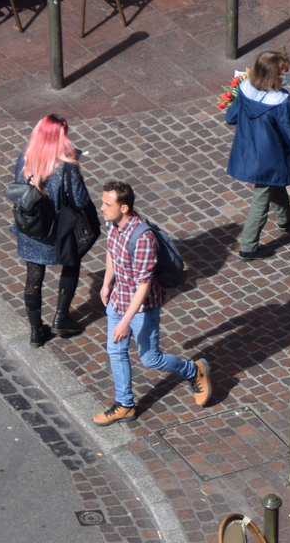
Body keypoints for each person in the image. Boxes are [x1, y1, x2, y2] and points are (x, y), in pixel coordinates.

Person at [91, 180, 211, 424]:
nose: (102, 208)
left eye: (107, 204)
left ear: (124, 208)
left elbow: (143, 285)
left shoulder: (143, 238)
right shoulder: (112, 224)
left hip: (142, 308)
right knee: (116, 351)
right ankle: (125, 404)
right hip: (118, 299)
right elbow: (111, 251)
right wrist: (106, 283)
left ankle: (193, 370)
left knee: (150, 359)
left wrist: (125, 321)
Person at [225, 51, 290, 261]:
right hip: (270, 158)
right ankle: (248, 246)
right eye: (283, 73)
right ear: (273, 76)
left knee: (273, 184)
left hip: (247, 152)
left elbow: (231, 117)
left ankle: (285, 216)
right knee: (260, 199)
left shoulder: (245, 89)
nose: (286, 76)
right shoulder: (283, 103)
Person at [12, 114, 94, 347]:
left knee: (33, 278)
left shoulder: (24, 159)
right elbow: (80, 201)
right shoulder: (66, 167)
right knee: (71, 263)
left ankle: (36, 330)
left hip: (32, 229)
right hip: (58, 233)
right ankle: (61, 317)